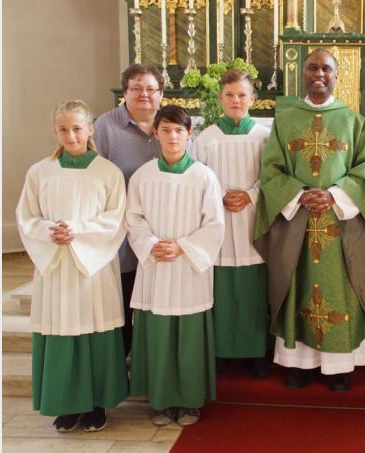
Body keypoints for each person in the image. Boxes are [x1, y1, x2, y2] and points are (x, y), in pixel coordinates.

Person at [253, 48, 365, 392]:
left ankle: (339, 366)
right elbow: (271, 171)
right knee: (298, 288)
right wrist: (300, 194)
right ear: (302, 73)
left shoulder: (353, 121)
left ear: (336, 75)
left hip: (340, 225)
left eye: (326, 69)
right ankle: (300, 364)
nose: (319, 74)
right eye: (312, 67)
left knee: (339, 291)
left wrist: (334, 195)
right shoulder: (285, 121)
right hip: (297, 221)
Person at [16, 100, 128, 432]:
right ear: (55, 131)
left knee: (95, 329)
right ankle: (65, 404)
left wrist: (78, 232)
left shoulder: (107, 172)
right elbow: (26, 218)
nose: (71, 135)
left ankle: (96, 405)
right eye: (63, 129)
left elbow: (115, 219)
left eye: (77, 128)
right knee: (61, 329)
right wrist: (51, 232)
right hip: (55, 265)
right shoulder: (40, 172)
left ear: (91, 129)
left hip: (92, 267)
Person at [126, 106, 225, 427]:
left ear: (189, 134)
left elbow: (214, 224)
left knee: (188, 338)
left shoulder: (204, 176)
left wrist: (182, 246)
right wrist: (152, 244)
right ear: (156, 133)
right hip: (155, 264)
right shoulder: (143, 175)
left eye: (178, 130)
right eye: (166, 130)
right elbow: (134, 219)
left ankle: (189, 402)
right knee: (159, 336)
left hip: (188, 268)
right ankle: (162, 401)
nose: (172, 137)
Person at [190, 69, 272, 378]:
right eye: (229, 95)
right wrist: (220, 196)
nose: (236, 100)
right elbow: (196, 179)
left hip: (253, 220)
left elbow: (275, 177)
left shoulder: (265, 136)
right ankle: (222, 349)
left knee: (253, 289)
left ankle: (256, 352)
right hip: (219, 223)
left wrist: (250, 195)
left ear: (253, 98)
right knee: (222, 289)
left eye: (241, 94)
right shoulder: (207, 138)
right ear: (220, 98)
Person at [94, 64, 164, 357]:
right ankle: (121, 365)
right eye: (136, 88)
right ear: (125, 93)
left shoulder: (169, 124)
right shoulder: (105, 127)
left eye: (150, 89)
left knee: (156, 302)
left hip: (161, 231)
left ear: (161, 93)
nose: (143, 94)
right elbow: (93, 179)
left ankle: (150, 367)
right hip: (121, 234)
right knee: (122, 301)